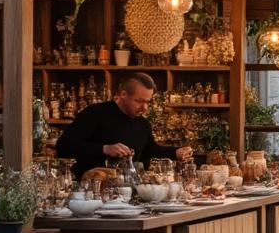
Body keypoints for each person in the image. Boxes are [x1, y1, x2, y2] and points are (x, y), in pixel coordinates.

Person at [56, 73, 193, 179]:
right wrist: (104, 149)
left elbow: (151, 149)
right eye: (139, 101)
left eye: (148, 102)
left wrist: (176, 152)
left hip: (127, 192)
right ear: (123, 94)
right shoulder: (95, 113)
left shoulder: (142, 123)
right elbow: (63, 146)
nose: (144, 108)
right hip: (89, 191)